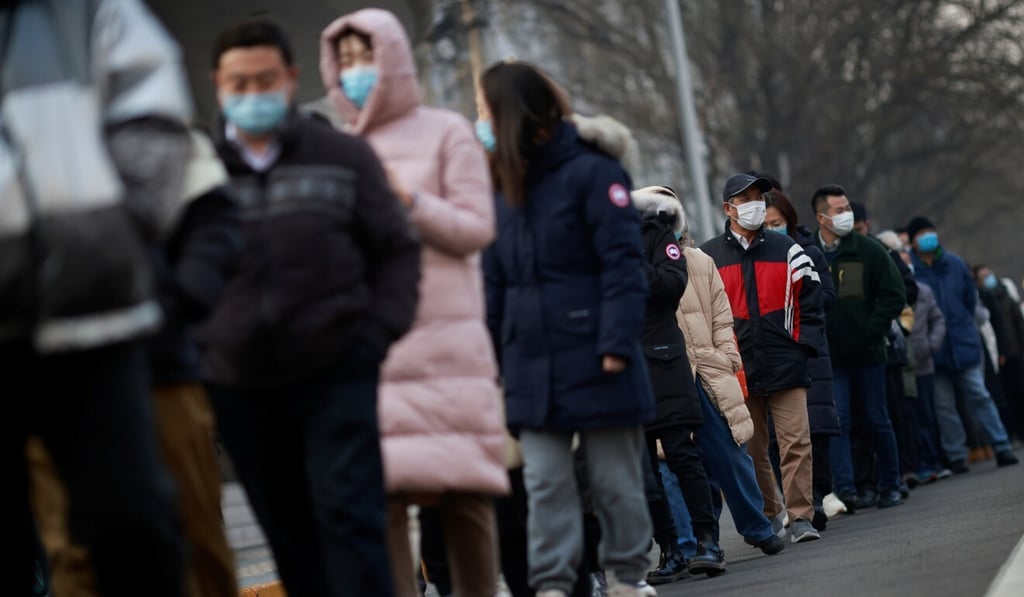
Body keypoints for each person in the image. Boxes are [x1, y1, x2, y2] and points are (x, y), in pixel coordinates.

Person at [202, 21, 421, 597]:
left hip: (335, 372)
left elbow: (396, 250)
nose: (253, 93)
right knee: (289, 536)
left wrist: (374, 338)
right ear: (217, 85)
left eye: (265, 79)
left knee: (351, 524)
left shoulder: (342, 157)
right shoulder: (198, 171)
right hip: (240, 385)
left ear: (291, 78)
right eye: (239, 82)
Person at [1, 0, 192, 594]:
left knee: (133, 521)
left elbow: (153, 108)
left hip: (93, 313)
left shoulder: (91, 10)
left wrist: (117, 235)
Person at [319, 9, 508, 596]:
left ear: (395, 57)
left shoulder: (447, 131)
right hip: (376, 349)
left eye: (365, 57)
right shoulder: (341, 148)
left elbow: (477, 228)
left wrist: (410, 201)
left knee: (466, 500)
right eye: (344, 61)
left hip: (449, 349)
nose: (355, 72)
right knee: (385, 503)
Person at [27, 131, 242, 597]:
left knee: (195, 537)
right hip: (47, 377)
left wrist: (177, 302)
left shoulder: (132, 87)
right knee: (73, 554)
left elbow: (212, 217)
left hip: (159, 366)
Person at [482, 61, 655, 597]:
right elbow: (494, 283)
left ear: (514, 113)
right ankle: (554, 585)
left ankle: (628, 576)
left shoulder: (593, 172)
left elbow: (624, 265)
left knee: (614, 482)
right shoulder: (501, 186)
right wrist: (491, 358)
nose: (479, 121)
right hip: (529, 363)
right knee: (544, 483)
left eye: (485, 109)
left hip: (598, 355)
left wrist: (615, 343)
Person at [651, 186, 785, 556]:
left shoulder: (699, 261)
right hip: (665, 373)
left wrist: (727, 358)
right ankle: (688, 545)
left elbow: (723, 319)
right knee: (671, 462)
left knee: (729, 451)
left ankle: (757, 527)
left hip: (707, 371)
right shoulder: (639, 266)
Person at [700, 173, 825, 544]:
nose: (756, 203)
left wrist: (801, 346)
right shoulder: (708, 256)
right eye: (746, 198)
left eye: (759, 196)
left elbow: (812, 303)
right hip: (738, 370)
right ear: (728, 208)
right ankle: (771, 514)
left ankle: (802, 516)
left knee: (796, 442)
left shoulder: (787, 248)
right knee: (753, 449)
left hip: (787, 363)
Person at [631, 187, 726, 581]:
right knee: (642, 468)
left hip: (663, 360)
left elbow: (671, 284)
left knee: (682, 455)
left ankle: (708, 540)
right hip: (622, 367)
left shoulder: (657, 236)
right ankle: (668, 548)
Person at [812, 186, 907, 509]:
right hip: (831, 358)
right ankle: (846, 489)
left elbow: (895, 293)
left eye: (847, 208)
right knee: (839, 422)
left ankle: (891, 484)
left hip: (869, 353)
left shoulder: (868, 249)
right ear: (821, 217)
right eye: (838, 210)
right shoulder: (809, 252)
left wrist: (872, 329)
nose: (846, 215)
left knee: (877, 419)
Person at [906, 217, 1019, 471]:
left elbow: (970, 301)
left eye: (930, 231)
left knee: (979, 395)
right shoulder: (911, 270)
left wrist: (964, 329)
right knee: (944, 405)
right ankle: (957, 455)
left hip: (963, 343)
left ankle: (1001, 445)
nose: (927, 236)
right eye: (921, 233)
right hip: (934, 350)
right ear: (913, 240)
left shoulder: (954, 263)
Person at [764, 187, 840, 526]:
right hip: (772, 352)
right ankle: (793, 501)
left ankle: (818, 497)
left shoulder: (809, 251)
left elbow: (827, 296)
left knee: (816, 429)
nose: (770, 229)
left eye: (776, 222)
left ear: (788, 219)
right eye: (765, 225)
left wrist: (794, 298)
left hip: (809, 350)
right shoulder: (757, 258)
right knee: (780, 436)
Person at [908, 280, 952, 481]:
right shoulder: (888, 285)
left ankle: (935, 461)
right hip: (903, 367)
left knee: (928, 415)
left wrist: (932, 345)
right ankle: (920, 464)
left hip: (924, 363)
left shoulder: (924, 290)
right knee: (911, 418)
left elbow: (938, 320)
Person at [975, 264, 1024, 441]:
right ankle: (1013, 430)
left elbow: (1018, 322)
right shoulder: (984, 299)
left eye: (989, 274)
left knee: (1019, 389)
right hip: (997, 354)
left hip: (1014, 350)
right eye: (983, 276)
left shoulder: (1005, 295)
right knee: (1006, 394)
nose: (988, 278)